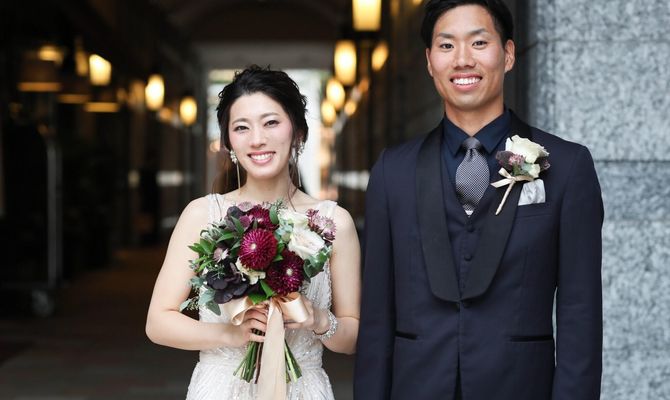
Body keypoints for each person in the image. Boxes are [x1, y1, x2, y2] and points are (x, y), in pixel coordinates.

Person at [354, 1, 603, 399]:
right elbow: (377, 317)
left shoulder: (568, 167)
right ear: (429, 61)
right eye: (447, 45)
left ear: (508, 54)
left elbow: (580, 314)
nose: (462, 59)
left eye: (479, 42)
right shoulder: (392, 172)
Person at [146, 65, 361, 399]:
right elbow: (158, 323)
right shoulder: (202, 215)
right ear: (228, 141)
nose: (257, 139)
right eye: (241, 127)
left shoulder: (334, 222)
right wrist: (231, 335)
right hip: (220, 389)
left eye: (271, 122)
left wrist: (318, 319)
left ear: (298, 132)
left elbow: (353, 338)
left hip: (303, 389)